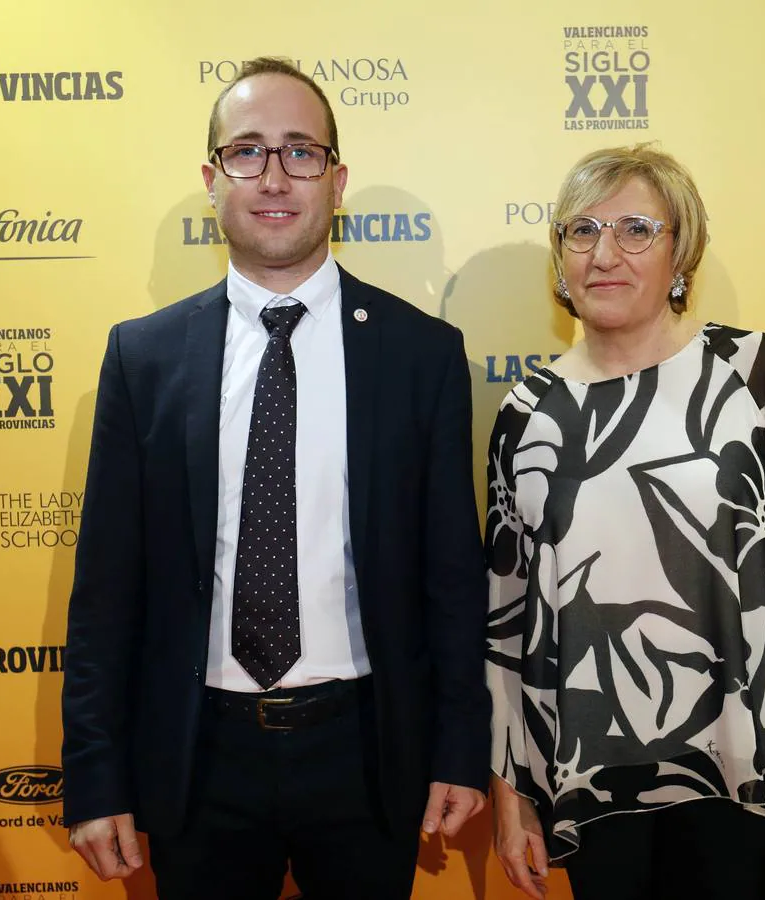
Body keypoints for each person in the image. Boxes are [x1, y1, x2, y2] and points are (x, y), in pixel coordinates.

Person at [61, 56, 490, 900]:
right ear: (212, 178)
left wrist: (459, 747)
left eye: (301, 152)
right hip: (197, 756)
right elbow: (106, 590)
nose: (275, 176)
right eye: (248, 151)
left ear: (336, 181)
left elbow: (452, 578)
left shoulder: (420, 354)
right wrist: (97, 775)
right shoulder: (142, 358)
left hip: (366, 752)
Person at [485, 144, 765, 900]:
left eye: (636, 229)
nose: (605, 253)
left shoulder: (752, 373)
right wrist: (512, 800)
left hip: (748, 761)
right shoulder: (527, 411)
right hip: (589, 776)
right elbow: (507, 616)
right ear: (561, 259)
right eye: (582, 231)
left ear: (682, 253)